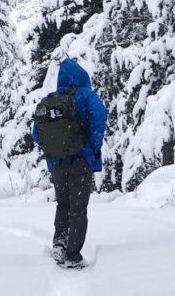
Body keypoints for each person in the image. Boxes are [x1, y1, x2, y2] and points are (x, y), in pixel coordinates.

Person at [31, 58, 107, 269]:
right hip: (80, 161)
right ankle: (72, 256)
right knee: (78, 208)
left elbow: (36, 134)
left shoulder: (50, 100)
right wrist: (91, 146)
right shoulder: (84, 95)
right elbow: (100, 115)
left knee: (63, 204)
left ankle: (60, 242)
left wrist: (56, 151)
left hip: (56, 164)